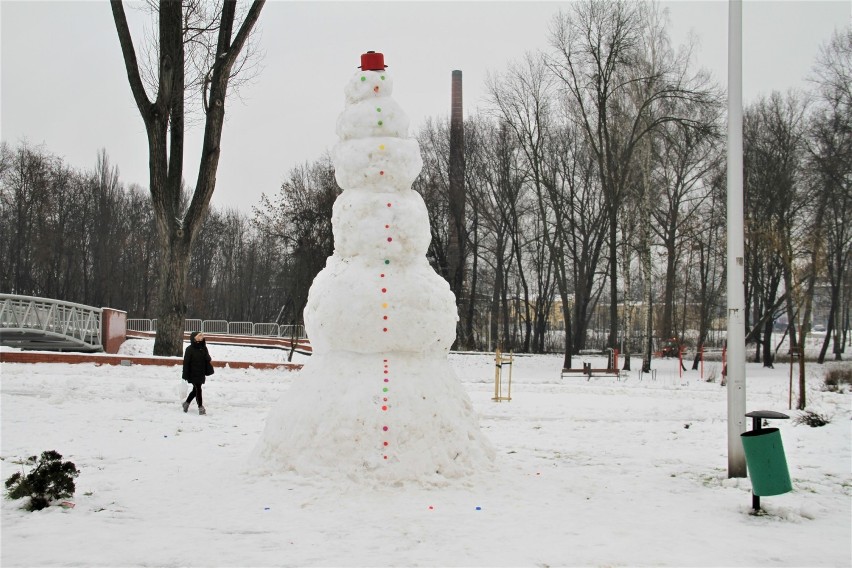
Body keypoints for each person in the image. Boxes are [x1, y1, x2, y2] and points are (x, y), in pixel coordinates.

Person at [182, 331, 212, 415]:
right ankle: (200, 407)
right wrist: (185, 374)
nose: (201, 338)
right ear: (194, 338)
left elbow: (208, 359)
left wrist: (204, 349)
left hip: (201, 372)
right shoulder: (189, 349)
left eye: (201, 336)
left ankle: (186, 403)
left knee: (195, 390)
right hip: (193, 372)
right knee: (198, 388)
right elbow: (186, 363)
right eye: (199, 336)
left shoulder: (203, 348)